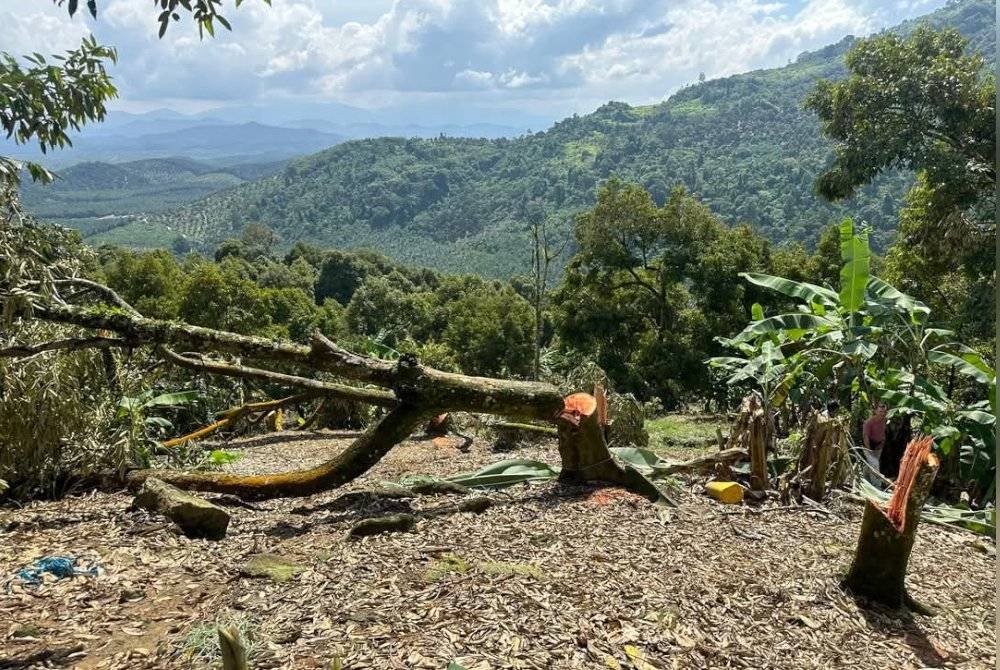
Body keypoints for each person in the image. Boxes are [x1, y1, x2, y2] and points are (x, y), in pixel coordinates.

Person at [862, 402, 888, 480]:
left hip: (879, 445)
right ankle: (876, 485)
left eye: (884, 412)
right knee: (874, 464)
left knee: (871, 463)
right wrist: (869, 450)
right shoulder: (869, 422)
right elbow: (865, 437)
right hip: (869, 444)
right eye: (880, 411)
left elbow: (885, 433)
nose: (882, 414)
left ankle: (865, 478)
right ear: (876, 411)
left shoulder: (885, 420)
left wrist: (882, 444)